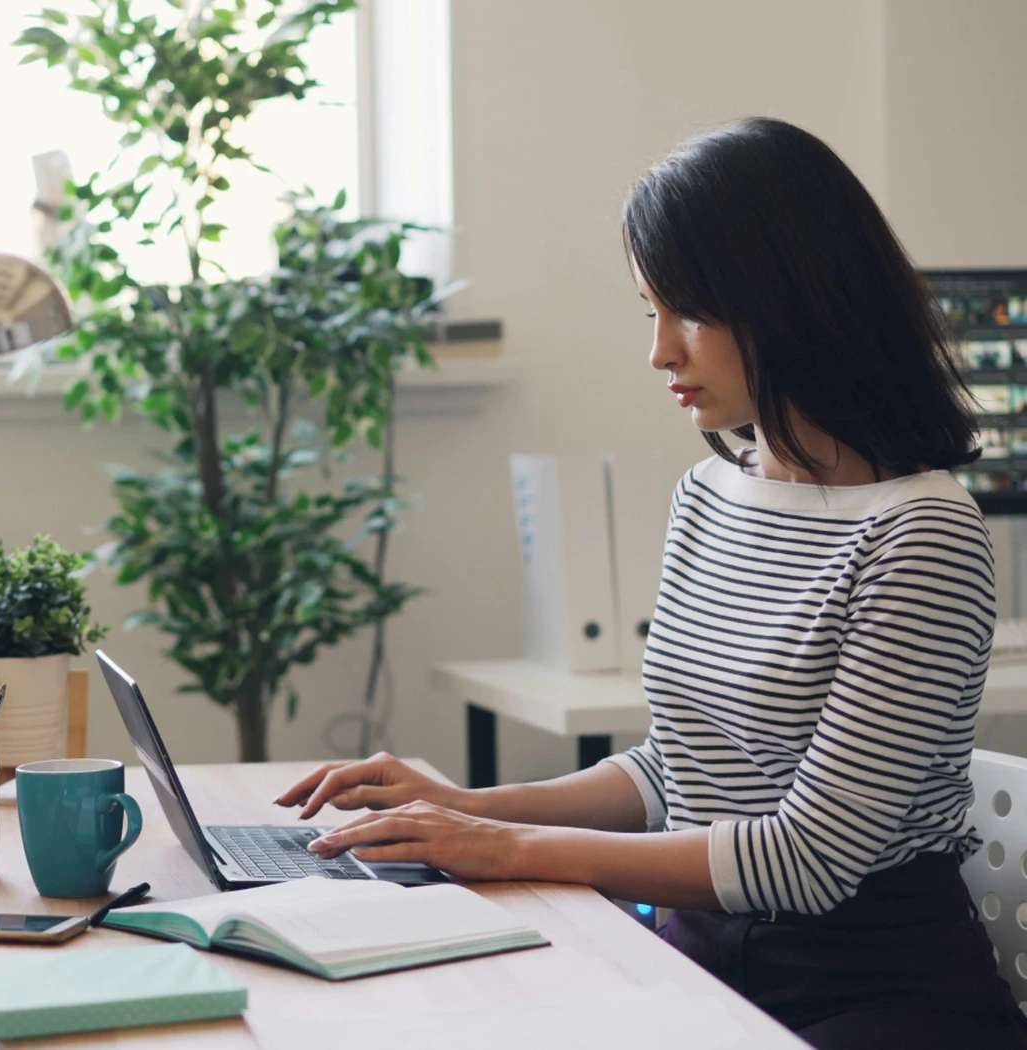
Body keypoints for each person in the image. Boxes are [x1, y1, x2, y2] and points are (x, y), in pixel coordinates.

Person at [275, 117, 1027, 1049]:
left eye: (692, 313)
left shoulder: (923, 531)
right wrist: (460, 808)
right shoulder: (711, 494)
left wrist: (505, 850)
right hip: (696, 961)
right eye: (651, 312)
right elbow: (681, 770)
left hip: (868, 996)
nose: (661, 352)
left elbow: (809, 858)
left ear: (796, 301)